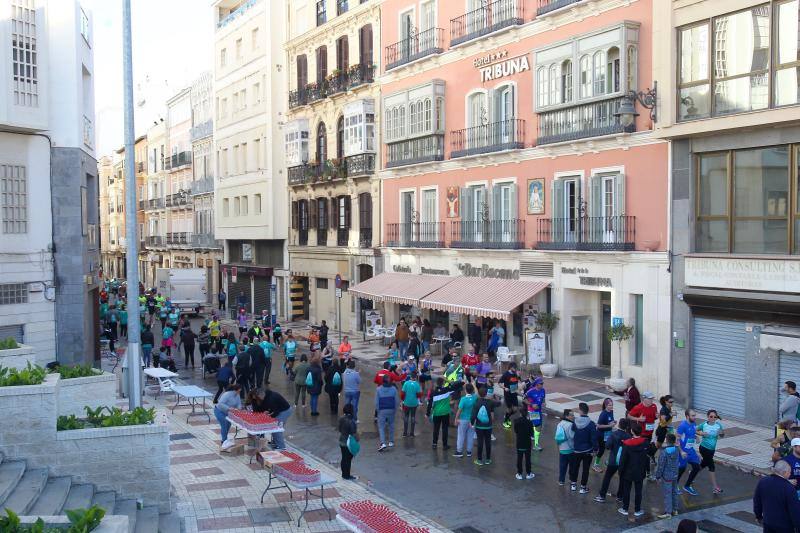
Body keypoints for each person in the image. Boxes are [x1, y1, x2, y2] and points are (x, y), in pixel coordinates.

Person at [753, 459, 800, 532]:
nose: (790, 474)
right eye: (789, 472)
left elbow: (757, 502)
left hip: (768, 523)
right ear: (784, 473)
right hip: (785, 527)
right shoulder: (789, 488)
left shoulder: (763, 481)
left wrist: (758, 516)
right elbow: (795, 512)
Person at [595, 418, 631, 503]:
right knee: (622, 479)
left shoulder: (614, 434)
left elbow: (607, 446)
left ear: (619, 425)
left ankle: (602, 496)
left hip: (613, 460)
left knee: (607, 477)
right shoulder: (628, 436)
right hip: (623, 461)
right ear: (627, 427)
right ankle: (620, 497)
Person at [618, 423, 649, 518]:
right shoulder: (645, 442)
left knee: (626, 490)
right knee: (638, 491)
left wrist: (620, 471)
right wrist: (647, 470)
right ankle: (637, 509)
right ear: (641, 431)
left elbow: (623, 459)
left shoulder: (627, 444)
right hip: (640, 471)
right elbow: (647, 458)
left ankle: (625, 508)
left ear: (632, 431)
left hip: (628, 472)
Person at [252, 386, 293, 450]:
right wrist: (268, 413)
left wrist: (269, 416)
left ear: (261, 395)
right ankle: (275, 443)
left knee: (276, 428)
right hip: (279, 410)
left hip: (285, 411)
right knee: (274, 427)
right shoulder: (266, 396)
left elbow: (276, 412)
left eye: (259, 397)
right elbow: (270, 408)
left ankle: (281, 447)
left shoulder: (271, 398)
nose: (259, 399)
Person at [628, 390, 658, 477]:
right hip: (642, 434)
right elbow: (629, 416)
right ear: (644, 399)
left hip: (650, 433)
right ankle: (646, 472)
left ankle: (645, 469)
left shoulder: (654, 406)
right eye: (650, 399)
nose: (652, 400)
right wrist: (638, 419)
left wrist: (657, 416)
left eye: (652, 399)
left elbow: (654, 416)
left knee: (645, 453)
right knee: (644, 454)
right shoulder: (638, 407)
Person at [571, 402, 598, 494]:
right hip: (587, 450)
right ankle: (583, 487)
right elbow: (594, 438)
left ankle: (573, 484)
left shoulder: (575, 422)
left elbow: (573, 433)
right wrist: (595, 449)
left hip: (576, 449)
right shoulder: (591, 424)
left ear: (580, 411)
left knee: (575, 467)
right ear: (587, 411)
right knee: (586, 469)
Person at [696, 409, 725, 494]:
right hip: (704, 448)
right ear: (708, 417)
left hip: (712, 450)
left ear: (716, 417)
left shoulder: (718, 425)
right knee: (711, 466)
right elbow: (695, 430)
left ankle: (693, 473)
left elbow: (722, 435)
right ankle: (715, 487)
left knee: (703, 464)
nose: (712, 418)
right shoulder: (704, 424)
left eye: (714, 417)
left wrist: (721, 433)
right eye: (711, 416)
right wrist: (701, 434)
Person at [471, 385, 501, 466]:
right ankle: (488, 459)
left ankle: (479, 460)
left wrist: (471, 423)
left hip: (479, 426)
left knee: (480, 442)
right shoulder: (490, 402)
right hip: (488, 426)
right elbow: (499, 404)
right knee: (488, 442)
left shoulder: (476, 402)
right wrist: (497, 398)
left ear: (479, 394)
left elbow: (473, 415)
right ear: (486, 394)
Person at [655, 433, 681, 519]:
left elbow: (661, 466)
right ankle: (675, 509)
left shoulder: (664, 452)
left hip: (667, 476)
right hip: (675, 474)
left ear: (667, 440)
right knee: (674, 492)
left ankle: (668, 512)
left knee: (667, 494)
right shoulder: (677, 450)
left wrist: (658, 476)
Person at [677, 409, 702, 496]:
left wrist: (696, 437)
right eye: (693, 416)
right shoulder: (682, 426)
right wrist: (681, 451)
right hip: (683, 451)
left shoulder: (694, 423)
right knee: (682, 469)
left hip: (691, 450)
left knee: (697, 467)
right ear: (687, 416)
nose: (695, 417)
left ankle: (687, 486)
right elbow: (677, 440)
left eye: (695, 415)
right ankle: (675, 485)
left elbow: (691, 433)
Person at [428, 377, 456, 450]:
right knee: (445, 429)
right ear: (443, 383)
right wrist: (447, 380)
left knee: (436, 428)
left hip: (436, 413)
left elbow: (430, 404)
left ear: (436, 383)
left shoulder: (433, 392)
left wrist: (427, 413)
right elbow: (454, 385)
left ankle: (434, 444)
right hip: (445, 413)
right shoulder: (446, 390)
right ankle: (445, 445)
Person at [375, 375, 399, 451]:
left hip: (382, 410)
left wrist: (378, 410)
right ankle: (391, 441)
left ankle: (383, 443)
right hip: (391, 409)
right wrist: (395, 409)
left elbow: (376, 402)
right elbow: (397, 401)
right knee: (391, 425)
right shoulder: (394, 389)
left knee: (381, 427)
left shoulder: (378, 389)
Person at [454, 383, 477, 458]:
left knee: (461, 435)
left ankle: (459, 451)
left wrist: (456, 419)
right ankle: (469, 452)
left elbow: (459, 410)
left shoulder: (463, 399)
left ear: (465, 390)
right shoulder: (475, 397)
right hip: (472, 420)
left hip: (463, 420)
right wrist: (474, 384)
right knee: (470, 435)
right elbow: (476, 392)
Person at [525, 377, 546, 451]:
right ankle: (536, 445)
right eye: (541, 383)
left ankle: (530, 433)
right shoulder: (531, 391)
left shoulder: (543, 390)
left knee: (537, 426)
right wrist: (531, 405)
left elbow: (543, 398)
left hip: (539, 410)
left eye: (542, 383)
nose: (542, 385)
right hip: (533, 411)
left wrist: (544, 403)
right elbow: (524, 399)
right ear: (537, 384)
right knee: (538, 427)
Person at [338, 403, 359, 480]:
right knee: (348, 459)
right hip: (348, 442)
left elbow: (339, 429)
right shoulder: (351, 421)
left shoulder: (341, 418)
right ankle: (347, 475)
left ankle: (344, 474)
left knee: (344, 458)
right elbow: (353, 432)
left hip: (342, 440)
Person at [594, 398, 615, 472]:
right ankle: (595, 465)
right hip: (601, 435)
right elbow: (598, 426)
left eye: (612, 405)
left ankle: (608, 461)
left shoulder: (611, 412)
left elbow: (609, 420)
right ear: (605, 405)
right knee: (602, 450)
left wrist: (613, 422)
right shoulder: (603, 414)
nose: (611, 406)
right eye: (609, 405)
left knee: (610, 447)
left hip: (608, 434)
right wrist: (609, 426)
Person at [556, 409, 576, 485]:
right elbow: (572, 436)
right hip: (570, 449)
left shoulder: (560, 424)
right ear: (567, 416)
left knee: (562, 466)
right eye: (571, 415)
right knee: (572, 467)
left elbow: (558, 437)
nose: (573, 416)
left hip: (562, 449)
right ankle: (571, 480)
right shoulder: (571, 425)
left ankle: (561, 480)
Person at [514, 411, 535, 480]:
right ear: (527, 415)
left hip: (519, 443)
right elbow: (532, 433)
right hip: (527, 443)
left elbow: (516, 431)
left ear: (520, 414)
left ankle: (519, 473)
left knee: (519, 459)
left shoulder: (516, 421)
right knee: (528, 459)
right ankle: (528, 473)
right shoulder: (529, 422)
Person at [499, 363, 521, 429]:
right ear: (511, 367)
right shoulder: (506, 374)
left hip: (514, 393)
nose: (515, 369)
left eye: (516, 368)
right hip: (508, 394)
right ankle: (505, 422)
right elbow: (499, 383)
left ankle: (506, 416)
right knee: (509, 409)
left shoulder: (515, 374)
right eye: (514, 368)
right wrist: (504, 388)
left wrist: (519, 376)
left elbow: (520, 381)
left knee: (515, 409)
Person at [401, 372, 422, 438]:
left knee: (406, 417)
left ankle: (404, 433)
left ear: (410, 377)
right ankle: (412, 433)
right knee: (413, 417)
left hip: (406, 403)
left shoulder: (406, 383)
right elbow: (419, 395)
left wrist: (402, 401)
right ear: (415, 377)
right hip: (414, 403)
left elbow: (402, 393)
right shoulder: (417, 384)